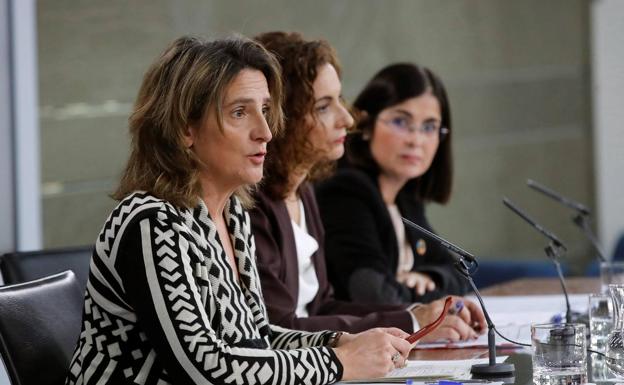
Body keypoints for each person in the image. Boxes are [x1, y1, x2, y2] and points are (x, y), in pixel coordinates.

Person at [65, 36, 416, 385]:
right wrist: (337, 362)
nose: (265, 132)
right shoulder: (152, 221)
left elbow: (256, 337)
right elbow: (205, 369)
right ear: (186, 128)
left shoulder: (231, 214)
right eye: (239, 112)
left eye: (264, 110)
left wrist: (339, 341)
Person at [250, 31, 484, 342]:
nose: (347, 119)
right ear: (282, 116)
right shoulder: (259, 203)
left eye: (429, 127)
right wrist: (414, 320)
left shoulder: (304, 192)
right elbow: (279, 327)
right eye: (323, 106)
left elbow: (321, 305)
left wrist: (417, 310)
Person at [317, 63, 466, 306]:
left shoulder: (405, 197)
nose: (416, 140)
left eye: (429, 127)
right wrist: (430, 302)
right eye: (400, 121)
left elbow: (461, 273)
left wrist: (429, 277)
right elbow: (374, 295)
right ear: (365, 126)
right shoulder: (345, 191)